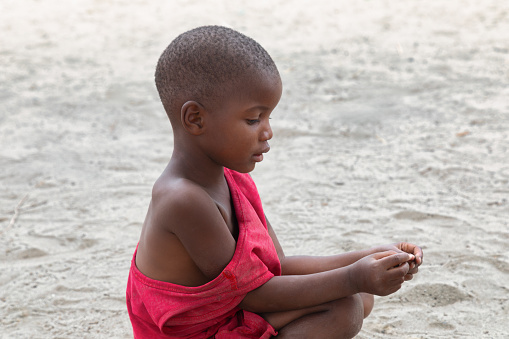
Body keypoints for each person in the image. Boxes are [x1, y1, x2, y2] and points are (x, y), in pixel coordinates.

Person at [126, 25, 423, 339]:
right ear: (196, 119)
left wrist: (370, 258)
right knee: (345, 307)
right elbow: (254, 294)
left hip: (233, 308)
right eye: (254, 119)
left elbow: (277, 265)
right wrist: (353, 277)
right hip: (200, 331)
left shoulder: (232, 179)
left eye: (269, 118)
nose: (267, 132)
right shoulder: (182, 199)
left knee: (360, 297)